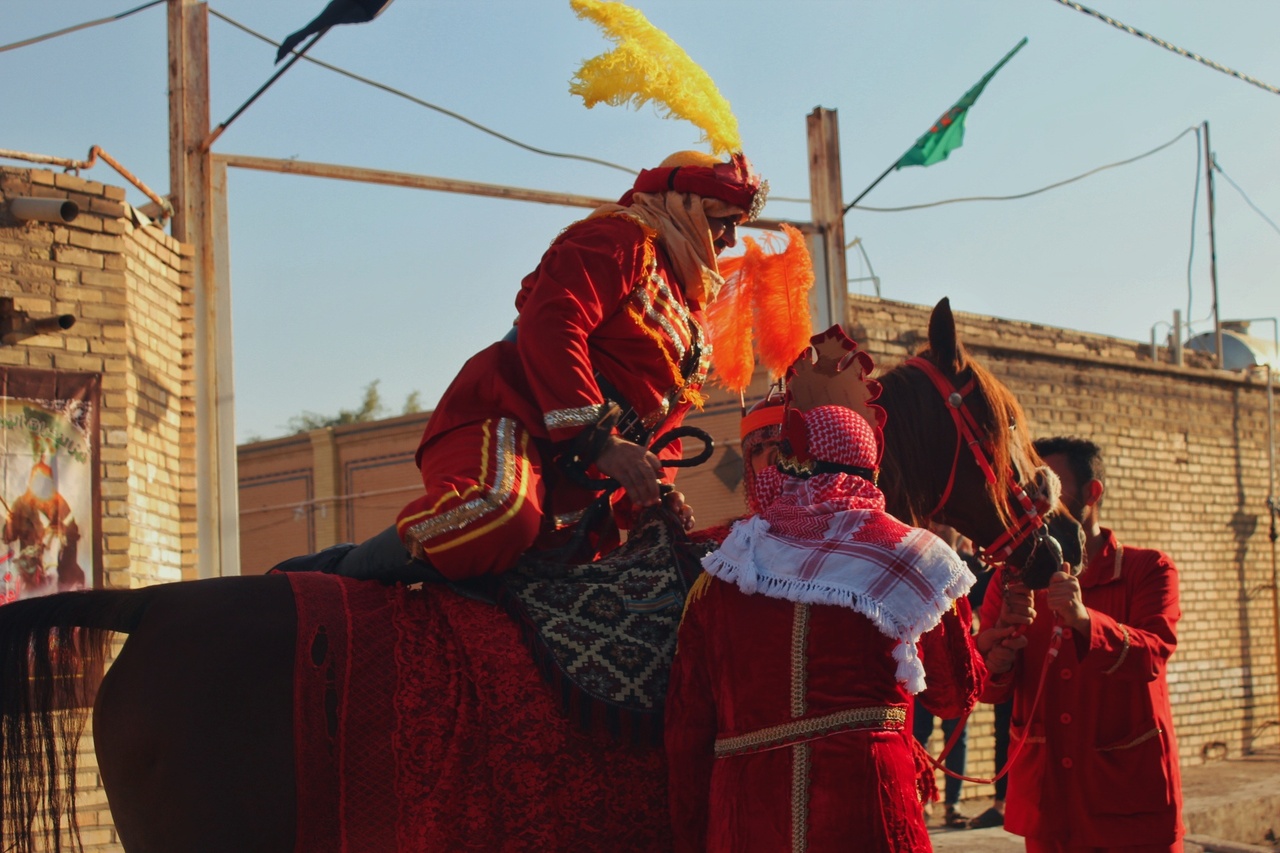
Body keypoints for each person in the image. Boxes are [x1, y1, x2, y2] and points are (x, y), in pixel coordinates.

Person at [275, 150, 768, 582]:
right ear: (680, 205)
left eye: (735, 226)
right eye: (721, 220)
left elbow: (664, 422)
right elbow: (554, 324)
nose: (728, 240)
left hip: (581, 478)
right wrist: (599, 440)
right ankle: (333, 574)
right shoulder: (621, 238)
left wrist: (649, 495)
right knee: (498, 517)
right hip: (510, 420)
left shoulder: (692, 314)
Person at [666, 403, 986, 852]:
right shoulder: (918, 560)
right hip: (867, 809)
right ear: (869, 465)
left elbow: (687, 730)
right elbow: (954, 695)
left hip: (746, 816)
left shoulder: (723, 573)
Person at [978, 436, 1183, 852]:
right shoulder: (1012, 579)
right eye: (1030, 488)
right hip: (1049, 802)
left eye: (1051, 486)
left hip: (1127, 798)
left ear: (1092, 493)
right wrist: (998, 650)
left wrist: (1084, 619)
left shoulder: (1148, 569)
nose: (1037, 500)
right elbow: (989, 687)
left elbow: (1152, 654)